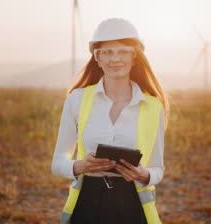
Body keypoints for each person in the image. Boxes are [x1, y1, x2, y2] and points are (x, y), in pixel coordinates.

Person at [52, 18, 168, 224]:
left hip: (132, 205)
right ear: (97, 58)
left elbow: (158, 169)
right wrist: (81, 166)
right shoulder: (76, 100)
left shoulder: (153, 106)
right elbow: (58, 163)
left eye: (123, 51)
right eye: (107, 52)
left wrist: (144, 175)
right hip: (87, 203)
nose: (115, 59)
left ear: (135, 57)